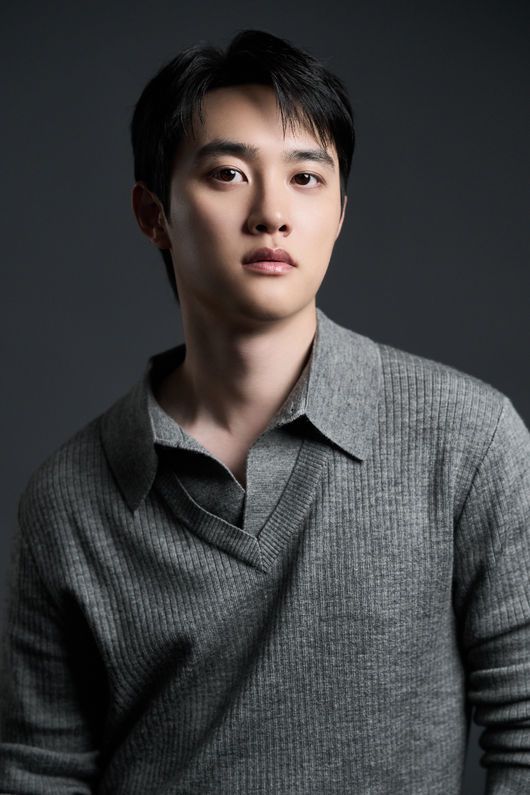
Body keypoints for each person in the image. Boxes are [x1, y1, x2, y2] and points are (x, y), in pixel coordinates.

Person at [0, 28, 528, 795]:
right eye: (228, 174)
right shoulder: (69, 499)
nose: (272, 213)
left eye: (306, 178)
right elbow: (38, 772)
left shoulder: (469, 441)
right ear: (153, 213)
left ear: (340, 212)